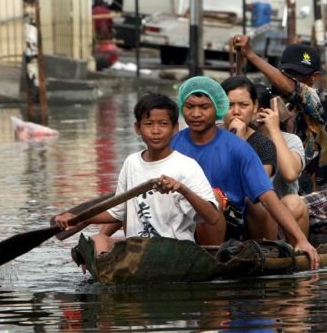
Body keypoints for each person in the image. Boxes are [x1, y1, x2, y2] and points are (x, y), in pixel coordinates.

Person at [171, 76, 320, 269]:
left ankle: (213, 261)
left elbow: (266, 195)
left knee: (214, 199)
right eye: (190, 107)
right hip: (182, 214)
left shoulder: (241, 147)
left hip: (229, 218)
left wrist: (300, 239)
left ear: (217, 107)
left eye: (204, 107)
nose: (196, 114)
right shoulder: (173, 144)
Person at [54, 93, 221, 255]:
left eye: (163, 124)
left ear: (175, 128)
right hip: (136, 251)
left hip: (175, 251)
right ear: (137, 128)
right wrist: (77, 219)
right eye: (149, 124)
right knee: (98, 240)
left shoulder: (187, 166)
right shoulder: (131, 163)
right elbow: (117, 212)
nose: (156, 131)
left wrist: (183, 189)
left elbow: (212, 217)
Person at [232, 36, 327, 234]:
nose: (289, 80)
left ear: (313, 77)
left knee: (282, 209)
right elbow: (238, 101)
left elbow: (292, 89)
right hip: (288, 194)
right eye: (287, 74)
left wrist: (251, 55)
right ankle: (326, 225)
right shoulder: (272, 104)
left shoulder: (323, 101)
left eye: (297, 76)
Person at [253, 83, 305, 198]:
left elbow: (290, 174)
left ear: (262, 111)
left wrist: (274, 129)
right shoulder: (235, 136)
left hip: (284, 206)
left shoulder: (291, 140)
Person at [220, 76, 277, 177]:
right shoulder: (208, 134)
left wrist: (239, 143)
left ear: (255, 106)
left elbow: (258, 186)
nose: (236, 112)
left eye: (243, 105)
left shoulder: (263, 145)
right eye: (229, 105)